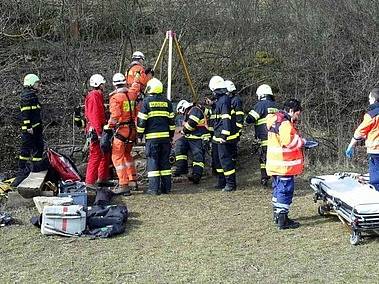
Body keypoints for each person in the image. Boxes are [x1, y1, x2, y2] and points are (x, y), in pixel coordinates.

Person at [266, 99, 305, 230]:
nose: (297, 117)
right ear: (291, 111)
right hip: (284, 165)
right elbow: (289, 142)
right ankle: (282, 220)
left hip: (275, 164)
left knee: (278, 190)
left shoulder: (275, 119)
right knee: (285, 190)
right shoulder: (285, 123)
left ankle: (277, 215)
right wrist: (302, 142)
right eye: (297, 114)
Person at [137, 78, 175, 195]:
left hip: (152, 139)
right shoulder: (167, 102)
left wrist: (139, 135)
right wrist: (171, 136)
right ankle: (166, 188)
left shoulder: (146, 102)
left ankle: (153, 189)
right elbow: (172, 122)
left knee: (153, 162)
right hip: (165, 139)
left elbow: (142, 121)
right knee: (165, 163)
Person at [106, 73, 139, 196]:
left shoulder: (115, 98)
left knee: (117, 156)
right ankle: (132, 180)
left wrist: (108, 126)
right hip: (132, 130)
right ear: (125, 82)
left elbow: (115, 116)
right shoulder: (131, 95)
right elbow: (136, 89)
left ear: (114, 84)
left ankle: (123, 184)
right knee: (127, 155)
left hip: (122, 130)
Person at [13, 74, 45, 186]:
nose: (38, 85)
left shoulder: (32, 95)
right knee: (26, 150)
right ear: (31, 84)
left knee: (39, 147)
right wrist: (28, 127)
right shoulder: (27, 96)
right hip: (30, 129)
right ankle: (22, 169)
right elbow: (25, 114)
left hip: (36, 127)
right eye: (36, 83)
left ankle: (36, 168)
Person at [346, 88, 379, 191]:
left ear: (374, 99)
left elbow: (359, 132)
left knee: (376, 178)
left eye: (369, 99)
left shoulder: (372, 115)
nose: (369, 101)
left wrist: (350, 146)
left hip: (375, 150)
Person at [209, 75, 238, 192]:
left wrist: (224, 135)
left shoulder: (224, 101)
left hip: (223, 136)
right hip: (218, 135)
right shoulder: (220, 101)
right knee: (218, 160)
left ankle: (230, 184)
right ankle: (222, 182)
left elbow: (226, 118)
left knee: (225, 160)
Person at [246, 84, 278, 186]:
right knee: (274, 158)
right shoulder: (276, 105)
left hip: (265, 137)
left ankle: (265, 178)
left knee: (264, 158)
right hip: (277, 139)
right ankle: (275, 178)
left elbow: (250, 118)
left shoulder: (260, 105)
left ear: (261, 95)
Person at [173, 99, 210, 184]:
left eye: (181, 112)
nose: (181, 114)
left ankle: (196, 175)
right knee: (180, 145)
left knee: (198, 156)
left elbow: (192, 123)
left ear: (183, 108)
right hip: (191, 137)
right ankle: (181, 168)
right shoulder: (189, 112)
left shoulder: (195, 110)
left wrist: (183, 131)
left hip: (199, 137)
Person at [84, 74, 110, 190]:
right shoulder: (94, 96)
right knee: (95, 155)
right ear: (99, 85)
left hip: (98, 129)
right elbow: (94, 116)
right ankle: (90, 182)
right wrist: (99, 133)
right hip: (96, 130)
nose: (105, 85)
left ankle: (101, 179)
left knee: (103, 154)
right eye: (103, 84)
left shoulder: (96, 95)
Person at [225, 80, 244, 161]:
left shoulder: (235, 100)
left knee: (232, 147)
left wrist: (238, 128)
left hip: (234, 128)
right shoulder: (230, 99)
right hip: (230, 127)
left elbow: (239, 115)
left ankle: (233, 161)